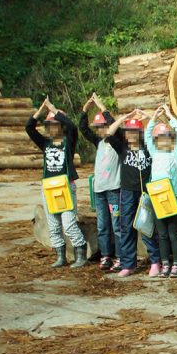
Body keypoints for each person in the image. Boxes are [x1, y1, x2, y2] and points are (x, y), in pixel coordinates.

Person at [27, 97, 87, 268]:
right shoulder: (45, 143)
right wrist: (40, 110)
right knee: (53, 225)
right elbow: (29, 128)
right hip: (49, 188)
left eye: (55, 125)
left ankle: (80, 254)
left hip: (66, 187)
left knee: (68, 224)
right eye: (49, 125)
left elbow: (73, 127)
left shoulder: (68, 142)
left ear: (61, 126)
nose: (52, 128)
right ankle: (61, 256)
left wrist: (54, 109)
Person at [106, 108, 154, 277]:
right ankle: (128, 264)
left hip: (145, 192)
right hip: (127, 192)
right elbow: (109, 133)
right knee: (126, 227)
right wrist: (123, 119)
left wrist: (149, 117)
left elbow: (163, 130)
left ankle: (155, 261)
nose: (132, 135)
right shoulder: (122, 148)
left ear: (141, 133)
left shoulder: (149, 147)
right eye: (129, 132)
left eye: (135, 131)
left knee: (147, 226)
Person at [79, 93, 121, 271]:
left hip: (114, 190)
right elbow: (83, 129)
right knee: (103, 225)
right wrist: (85, 110)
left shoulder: (117, 141)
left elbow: (114, 125)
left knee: (117, 225)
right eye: (97, 128)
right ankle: (106, 256)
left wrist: (103, 108)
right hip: (99, 191)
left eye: (102, 126)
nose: (99, 130)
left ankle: (120, 257)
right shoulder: (99, 142)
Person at [144, 104, 177, 278]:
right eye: (160, 138)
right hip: (156, 197)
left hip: (172, 196)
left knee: (173, 233)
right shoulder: (154, 153)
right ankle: (165, 263)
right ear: (156, 141)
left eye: (167, 137)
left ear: (171, 139)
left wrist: (169, 115)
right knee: (161, 234)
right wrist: (154, 118)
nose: (163, 140)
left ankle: (176, 264)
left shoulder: (174, 153)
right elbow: (147, 134)